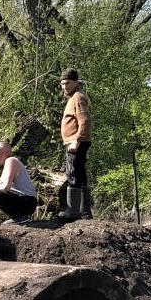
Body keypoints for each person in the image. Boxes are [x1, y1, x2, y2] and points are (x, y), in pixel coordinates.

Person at [58, 68, 92, 220]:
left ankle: (73, 210)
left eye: (68, 83)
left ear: (76, 82)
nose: (65, 86)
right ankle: (84, 211)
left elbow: (84, 121)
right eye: (63, 83)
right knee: (80, 174)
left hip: (76, 142)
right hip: (76, 141)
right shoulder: (73, 97)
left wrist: (76, 141)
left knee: (72, 173)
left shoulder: (78, 97)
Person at [0, 141, 37, 224]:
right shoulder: (8, 164)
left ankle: (19, 218)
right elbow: (0, 184)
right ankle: (18, 217)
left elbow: (5, 187)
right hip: (27, 202)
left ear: (7, 152)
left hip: (27, 201)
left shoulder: (11, 161)